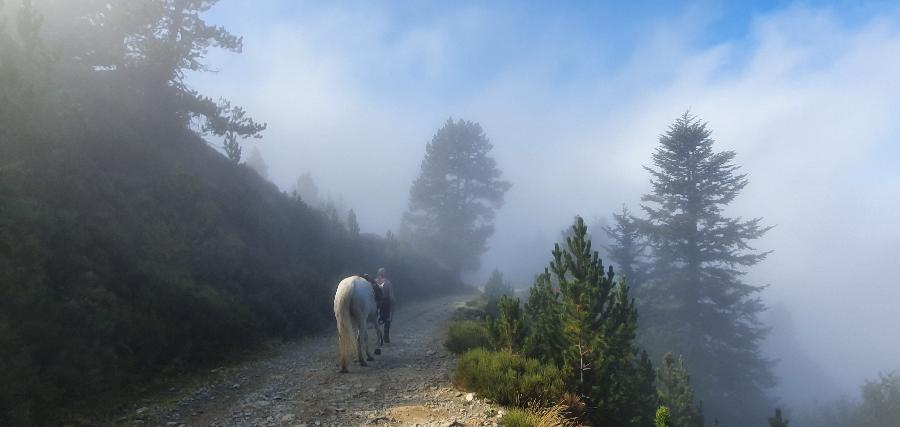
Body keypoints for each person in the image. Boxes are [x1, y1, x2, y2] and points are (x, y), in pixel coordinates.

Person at [375, 267, 395, 343]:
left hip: (376, 303)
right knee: (388, 319)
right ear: (384, 274)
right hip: (385, 303)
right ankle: (386, 336)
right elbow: (391, 296)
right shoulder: (388, 283)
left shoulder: (374, 282)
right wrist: (393, 303)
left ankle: (379, 336)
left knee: (376, 320)